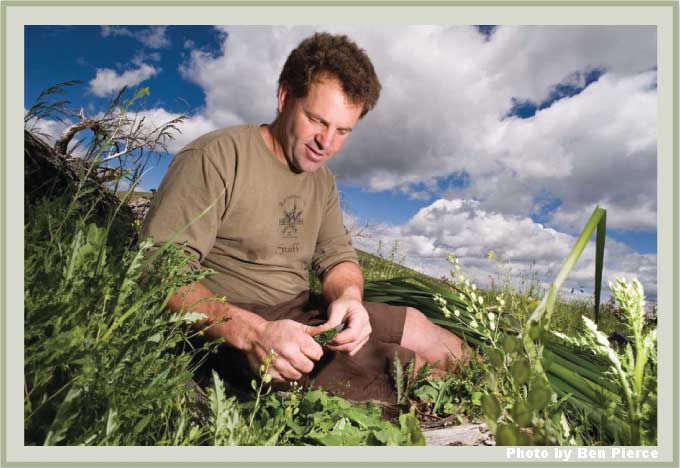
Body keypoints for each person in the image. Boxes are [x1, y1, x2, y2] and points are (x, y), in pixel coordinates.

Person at [142, 32, 469, 403]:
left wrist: (349, 298)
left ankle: (515, 388)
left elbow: (337, 257)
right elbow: (160, 272)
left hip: (302, 309)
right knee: (408, 369)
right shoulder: (215, 157)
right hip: (237, 322)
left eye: (343, 130)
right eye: (317, 120)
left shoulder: (322, 180)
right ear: (285, 98)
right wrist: (254, 334)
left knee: (428, 333)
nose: (326, 143)